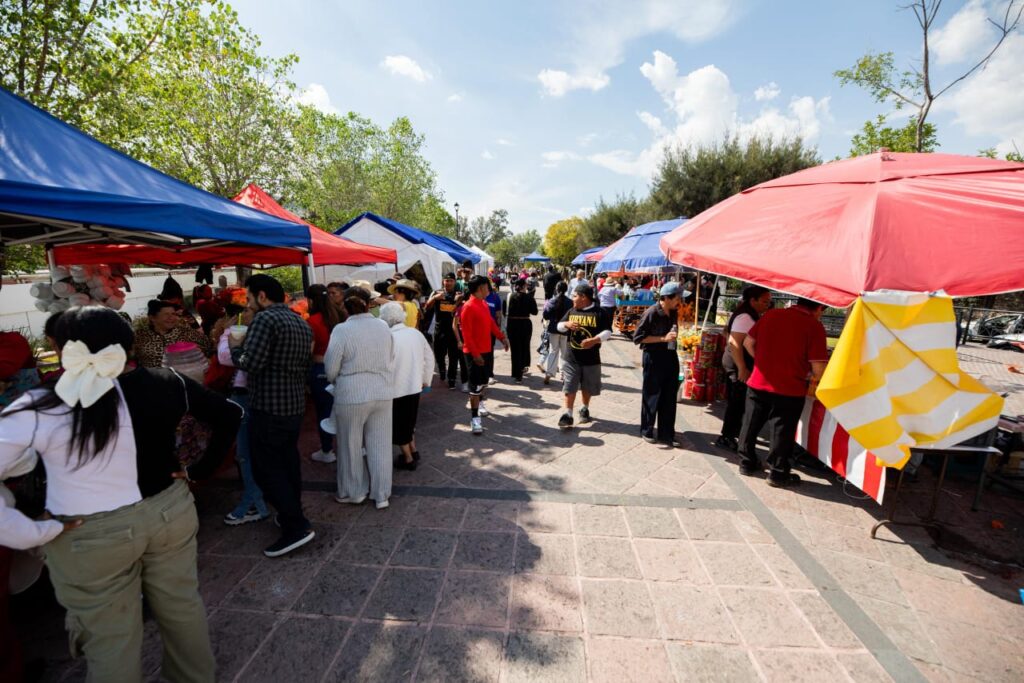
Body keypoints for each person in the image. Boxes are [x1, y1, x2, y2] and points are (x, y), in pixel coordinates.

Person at [0, 306, 241, 681]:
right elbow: (230, 414)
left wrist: (29, 531)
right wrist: (199, 471)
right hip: (168, 513)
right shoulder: (166, 380)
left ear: (61, 347)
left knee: (111, 638)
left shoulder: (41, 403)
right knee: (181, 608)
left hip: (88, 533)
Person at [229, 274, 315, 556]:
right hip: (292, 406)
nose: (249, 303)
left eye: (250, 297)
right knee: (288, 465)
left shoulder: (265, 320)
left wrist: (235, 349)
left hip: (269, 406)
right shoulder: (298, 321)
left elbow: (250, 363)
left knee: (267, 470)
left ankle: (296, 526)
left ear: (262, 296)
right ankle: (291, 513)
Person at [737, 298, 829, 487]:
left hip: (759, 381)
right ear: (818, 307)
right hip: (790, 387)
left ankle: (746, 462)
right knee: (782, 430)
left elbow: (747, 342)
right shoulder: (814, 326)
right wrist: (812, 376)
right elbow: (819, 367)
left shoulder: (771, 314)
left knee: (751, 422)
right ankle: (777, 473)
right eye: (822, 310)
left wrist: (763, 361)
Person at [325, 287, 395, 509]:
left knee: (349, 445)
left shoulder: (341, 330)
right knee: (381, 444)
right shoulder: (383, 326)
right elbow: (391, 356)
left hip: (352, 393)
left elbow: (331, 368)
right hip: (382, 391)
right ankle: (381, 493)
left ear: (345, 306)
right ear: (369, 304)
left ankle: (354, 491)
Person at [217, 304, 270, 525]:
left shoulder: (249, 335)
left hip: (246, 396)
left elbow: (225, 357)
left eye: (248, 309)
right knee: (255, 451)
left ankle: (253, 502)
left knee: (246, 452)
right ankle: (258, 497)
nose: (243, 314)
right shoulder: (265, 332)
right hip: (260, 397)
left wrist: (227, 334)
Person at [715, 286, 772, 451]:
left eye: (769, 301)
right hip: (737, 364)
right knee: (736, 402)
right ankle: (726, 436)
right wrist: (741, 367)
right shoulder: (746, 316)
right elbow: (734, 342)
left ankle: (734, 433)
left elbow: (727, 333)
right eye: (764, 301)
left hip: (736, 361)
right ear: (752, 300)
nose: (767, 304)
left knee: (739, 401)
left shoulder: (746, 313)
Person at [380, 302, 433, 470]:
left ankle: (408, 458)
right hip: (414, 385)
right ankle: (413, 450)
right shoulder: (415, 333)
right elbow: (429, 358)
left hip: (395, 387)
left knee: (398, 424)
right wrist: (426, 380)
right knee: (409, 420)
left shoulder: (387, 337)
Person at [633, 282, 688, 447]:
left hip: (670, 356)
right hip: (654, 357)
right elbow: (638, 338)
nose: (680, 301)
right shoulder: (651, 313)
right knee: (652, 395)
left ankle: (667, 433)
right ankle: (647, 430)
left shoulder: (673, 312)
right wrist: (663, 339)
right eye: (678, 297)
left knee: (669, 396)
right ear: (667, 298)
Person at [556, 284, 612, 428]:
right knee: (569, 385)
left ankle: (584, 408)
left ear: (583, 297)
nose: (572, 298)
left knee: (587, 386)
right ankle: (568, 414)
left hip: (591, 359)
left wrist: (594, 340)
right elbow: (558, 326)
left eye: (575, 295)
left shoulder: (600, 312)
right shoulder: (571, 311)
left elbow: (608, 332)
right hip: (571, 357)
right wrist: (567, 324)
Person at [460, 275, 509, 434]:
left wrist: (502, 337)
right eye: (487, 286)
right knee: (474, 387)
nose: (489, 288)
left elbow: (491, 324)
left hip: (487, 350)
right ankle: (475, 419)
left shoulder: (483, 304)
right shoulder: (468, 307)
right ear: (480, 288)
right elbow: (466, 335)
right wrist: (475, 355)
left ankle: (480, 404)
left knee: (483, 382)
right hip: (474, 353)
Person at [306, 284, 344, 464]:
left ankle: (327, 450)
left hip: (321, 369)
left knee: (324, 412)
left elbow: (309, 350)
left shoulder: (312, 321)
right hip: (343, 369)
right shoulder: (340, 316)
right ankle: (350, 446)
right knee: (344, 409)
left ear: (311, 300)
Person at [133, 299, 212, 368]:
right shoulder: (140, 336)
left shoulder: (186, 332)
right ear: (152, 318)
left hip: (183, 379)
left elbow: (208, 347)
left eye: (173, 314)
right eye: (166, 314)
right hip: (152, 381)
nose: (171, 318)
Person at [424, 273, 466, 390]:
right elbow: (427, 307)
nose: (448, 283)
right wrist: (435, 298)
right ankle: (442, 370)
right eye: (446, 281)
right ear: (443, 281)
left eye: (451, 281)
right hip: (439, 330)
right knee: (439, 355)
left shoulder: (458, 294)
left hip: (453, 331)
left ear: (455, 282)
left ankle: (452, 379)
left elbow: (457, 312)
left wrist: (458, 301)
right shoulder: (437, 293)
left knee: (454, 357)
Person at [504, 278, 539, 382]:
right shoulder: (529, 297)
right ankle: (523, 367)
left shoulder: (509, 297)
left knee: (515, 349)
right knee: (524, 346)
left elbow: (504, 311)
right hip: (525, 324)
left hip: (512, 324)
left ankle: (516, 373)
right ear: (524, 286)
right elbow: (535, 312)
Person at [539, 281, 573, 384]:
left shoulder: (552, 301)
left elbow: (545, 315)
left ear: (556, 289)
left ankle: (549, 373)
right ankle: (564, 375)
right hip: (566, 329)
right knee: (564, 353)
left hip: (553, 329)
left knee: (553, 351)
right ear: (566, 289)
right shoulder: (570, 302)